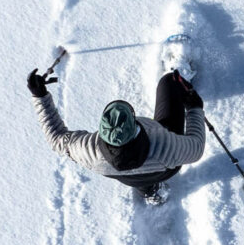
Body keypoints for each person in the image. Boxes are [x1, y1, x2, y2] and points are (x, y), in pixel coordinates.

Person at [27, 62, 205, 197]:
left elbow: (57, 138)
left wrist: (40, 95)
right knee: (169, 81)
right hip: (164, 169)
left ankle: (150, 192)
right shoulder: (165, 146)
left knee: (139, 178)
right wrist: (195, 109)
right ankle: (184, 78)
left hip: (130, 177)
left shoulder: (90, 152)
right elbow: (196, 148)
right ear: (135, 125)